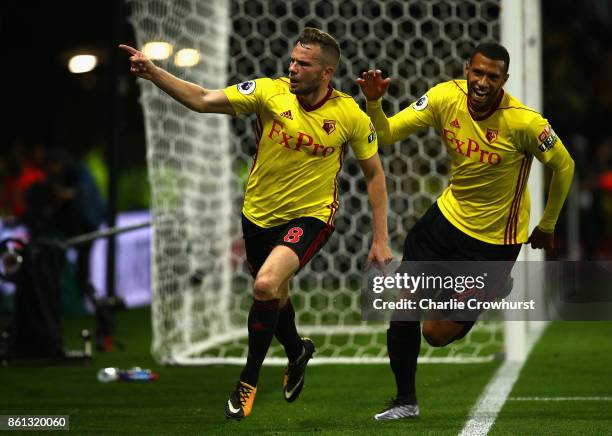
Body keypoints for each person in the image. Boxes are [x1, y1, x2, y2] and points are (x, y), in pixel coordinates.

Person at [120, 27, 393, 420]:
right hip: (258, 215)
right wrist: (153, 72)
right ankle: (298, 352)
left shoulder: (350, 113)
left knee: (264, 284)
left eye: (304, 64)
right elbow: (202, 99)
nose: (293, 68)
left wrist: (380, 238)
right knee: (276, 296)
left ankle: (247, 381)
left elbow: (374, 174)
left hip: (311, 216)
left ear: (326, 73)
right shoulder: (268, 91)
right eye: (293, 60)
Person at [357, 42, 574, 420]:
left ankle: (492, 288)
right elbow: (387, 135)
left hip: (493, 241)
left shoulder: (524, 122)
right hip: (445, 221)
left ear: (504, 80)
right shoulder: (445, 97)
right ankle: (406, 401)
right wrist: (374, 103)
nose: (482, 82)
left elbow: (565, 165)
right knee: (404, 309)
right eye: (477, 72)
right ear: (466, 69)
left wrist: (548, 223)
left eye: (493, 76)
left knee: (436, 334)